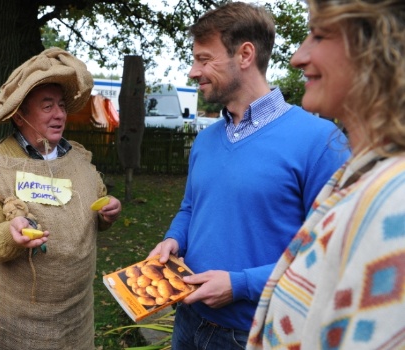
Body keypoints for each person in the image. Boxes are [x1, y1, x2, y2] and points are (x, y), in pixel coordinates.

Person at [146, 2, 351, 349]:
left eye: (204, 59)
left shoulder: (321, 142)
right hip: (187, 320)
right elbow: (191, 208)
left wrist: (240, 284)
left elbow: (332, 252)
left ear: (244, 55)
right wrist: (173, 239)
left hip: (257, 332)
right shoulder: (206, 139)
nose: (194, 72)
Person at [248, 0, 405, 348]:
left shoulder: (395, 203)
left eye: (319, 35)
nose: (297, 57)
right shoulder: (360, 175)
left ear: (382, 47)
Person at [0, 47, 121, 349]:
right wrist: (9, 236)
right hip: (26, 323)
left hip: (79, 312)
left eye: (61, 105)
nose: (60, 114)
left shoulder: (78, 160)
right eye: (47, 106)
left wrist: (108, 212)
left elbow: (97, 206)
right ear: (20, 113)